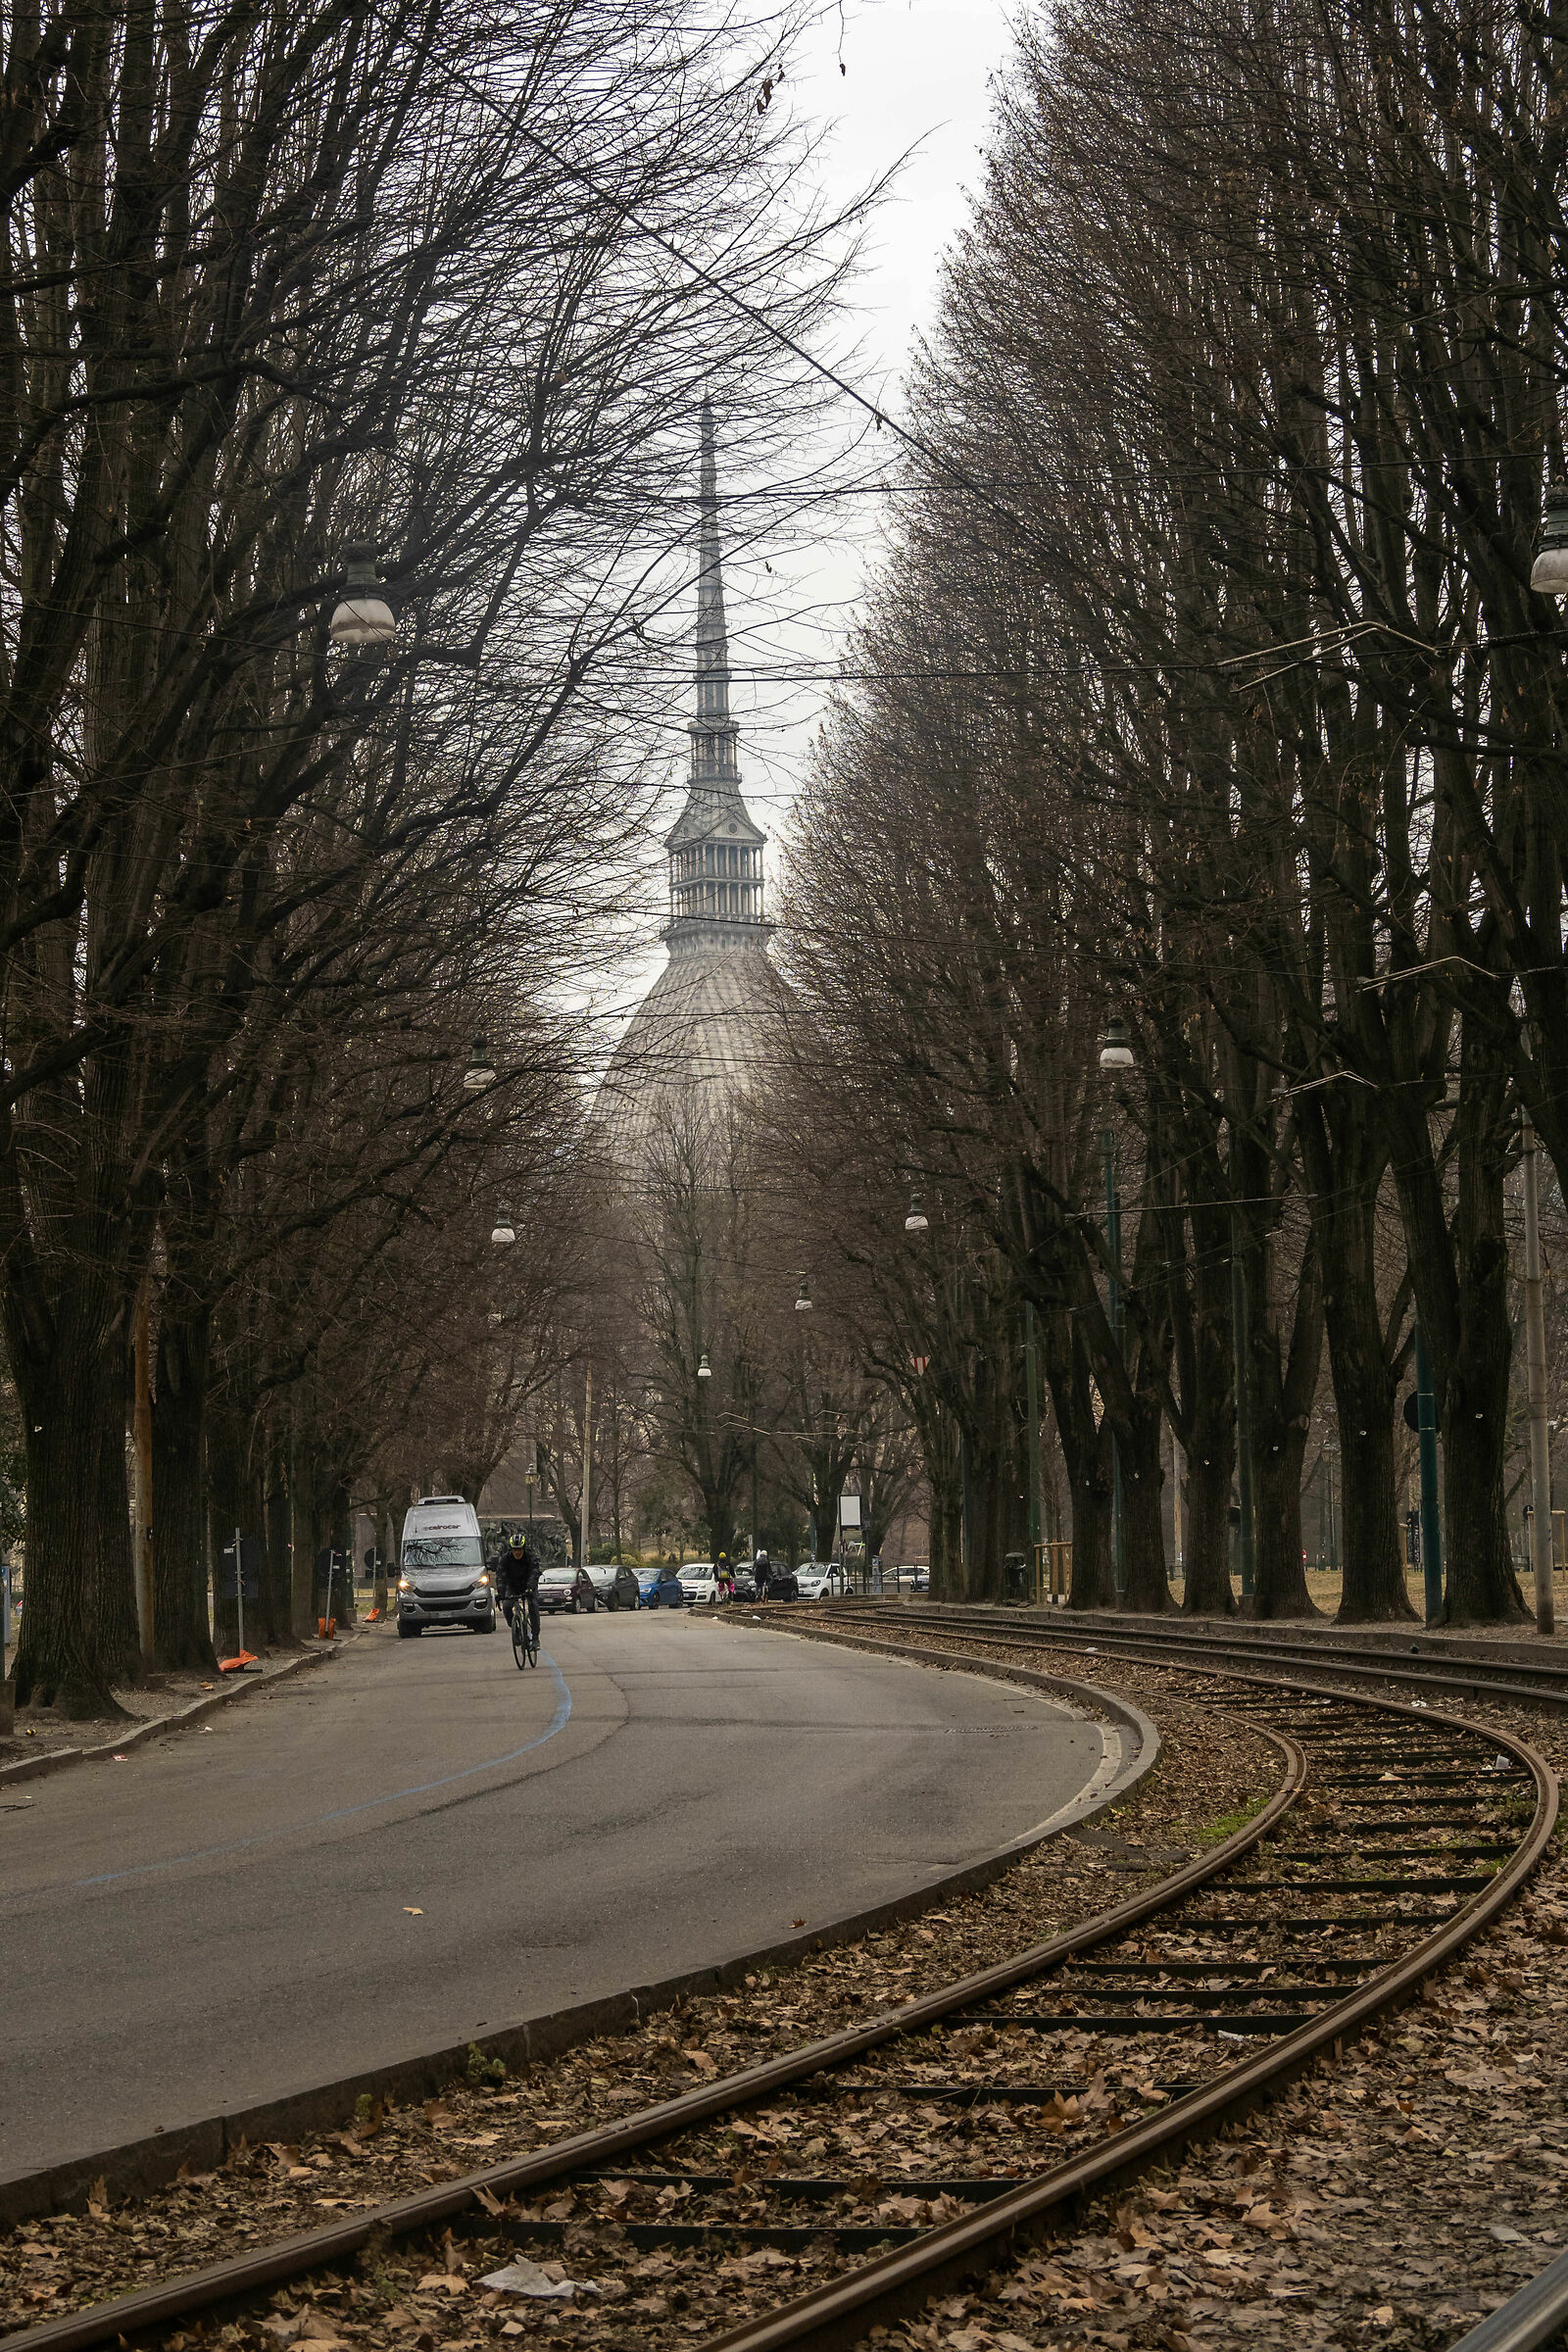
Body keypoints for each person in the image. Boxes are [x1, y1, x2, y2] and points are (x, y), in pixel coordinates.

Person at [496, 1531, 541, 1646]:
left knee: (533, 1606)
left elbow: (534, 1572)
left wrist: (530, 1588)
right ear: (511, 1549)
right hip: (513, 1586)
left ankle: (535, 1637)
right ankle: (516, 1629)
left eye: (519, 1549)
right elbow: (501, 1576)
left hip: (528, 1585)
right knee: (506, 1607)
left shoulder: (530, 1557)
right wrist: (501, 1593)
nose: (517, 1552)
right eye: (515, 1549)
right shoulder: (505, 1559)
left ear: (523, 1549)